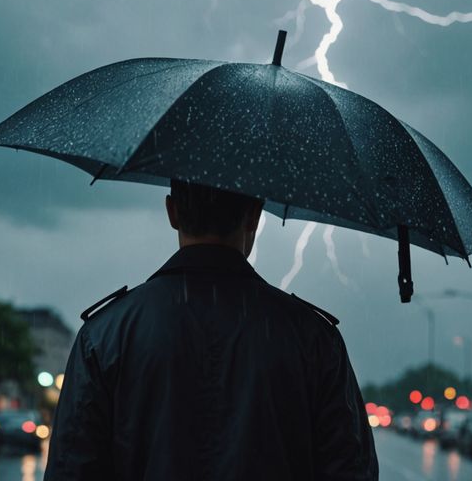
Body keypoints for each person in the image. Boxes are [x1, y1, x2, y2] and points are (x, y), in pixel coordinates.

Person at [44, 180, 378, 481]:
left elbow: (71, 470)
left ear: (172, 211)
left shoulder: (105, 334)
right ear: (254, 215)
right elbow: (349, 470)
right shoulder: (313, 338)